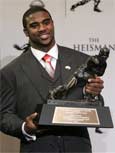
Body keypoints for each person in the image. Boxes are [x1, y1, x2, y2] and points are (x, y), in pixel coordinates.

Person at [0, 6, 104, 153]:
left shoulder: (81, 61)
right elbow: (4, 115)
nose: (42, 28)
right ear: (26, 32)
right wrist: (25, 127)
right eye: (34, 25)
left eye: (46, 22)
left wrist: (93, 94)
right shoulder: (11, 72)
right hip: (37, 148)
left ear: (52, 24)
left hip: (78, 147)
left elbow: (97, 106)